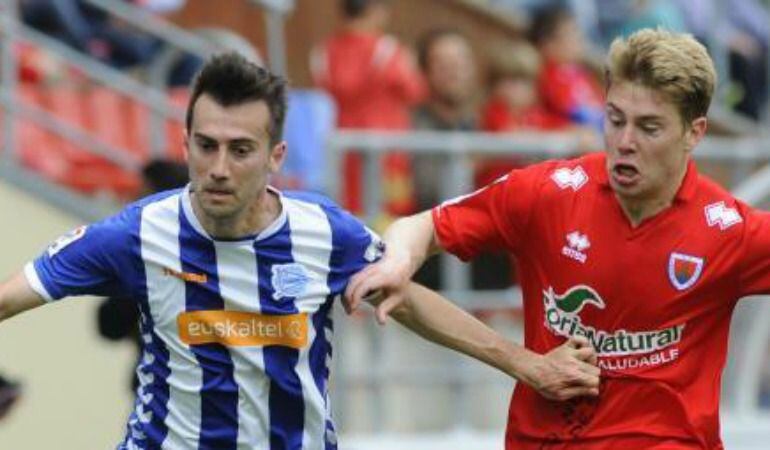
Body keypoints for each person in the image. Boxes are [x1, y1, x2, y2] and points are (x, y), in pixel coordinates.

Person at [0, 52, 598, 448]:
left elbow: (411, 301)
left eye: (240, 149)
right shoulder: (136, 233)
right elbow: (12, 295)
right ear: (183, 145)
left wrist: (528, 363)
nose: (218, 168)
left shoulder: (324, 234)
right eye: (205, 146)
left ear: (276, 157)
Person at [346, 28, 769, 448]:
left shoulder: (729, 230)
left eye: (649, 128)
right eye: (615, 119)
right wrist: (400, 258)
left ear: (694, 133)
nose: (624, 142)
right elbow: (421, 226)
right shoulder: (548, 193)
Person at [311, 0, 425, 217]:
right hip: (388, 160)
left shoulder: (322, 53)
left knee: (345, 220)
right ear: (377, 10)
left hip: (339, 158)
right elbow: (415, 92)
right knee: (390, 229)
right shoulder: (389, 50)